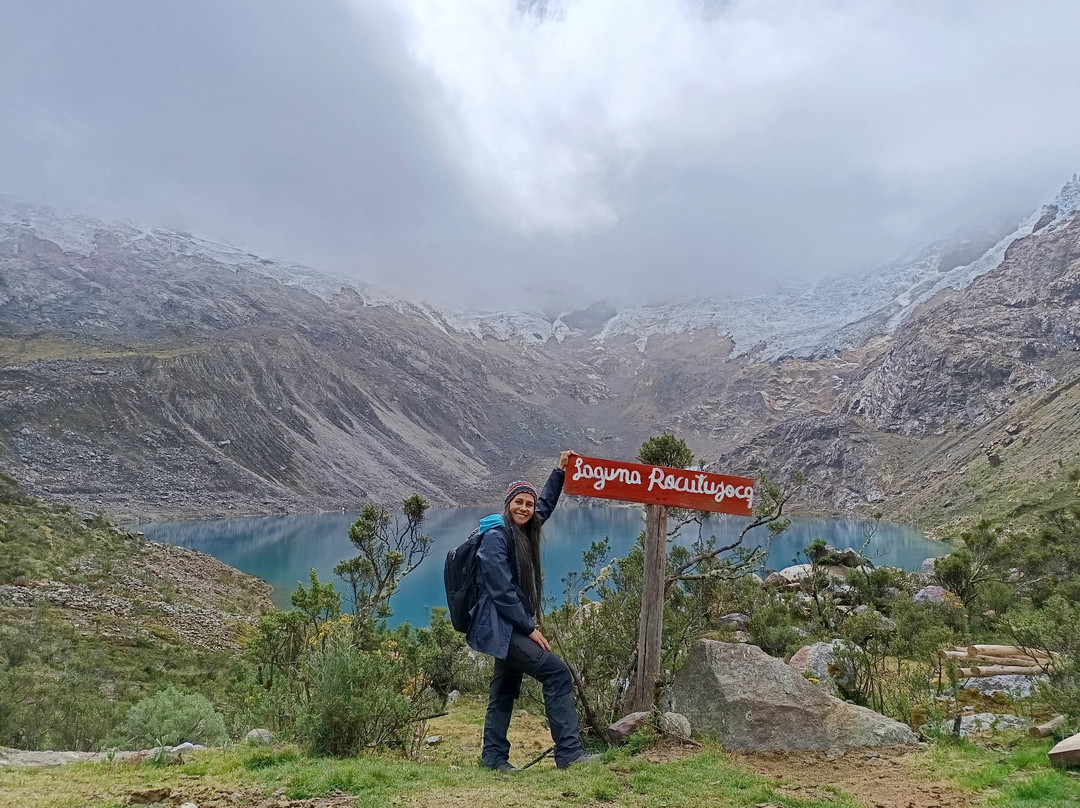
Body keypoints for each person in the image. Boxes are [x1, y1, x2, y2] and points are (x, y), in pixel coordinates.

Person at [466, 450, 592, 771]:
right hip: (503, 628)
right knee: (557, 672)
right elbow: (502, 590)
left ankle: (494, 759)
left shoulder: (522, 529)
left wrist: (559, 471)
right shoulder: (496, 537)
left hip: (505, 627)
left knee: (504, 691)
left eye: (528, 504)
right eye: (518, 502)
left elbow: (545, 505)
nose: (525, 508)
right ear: (508, 504)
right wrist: (529, 628)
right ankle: (569, 754)